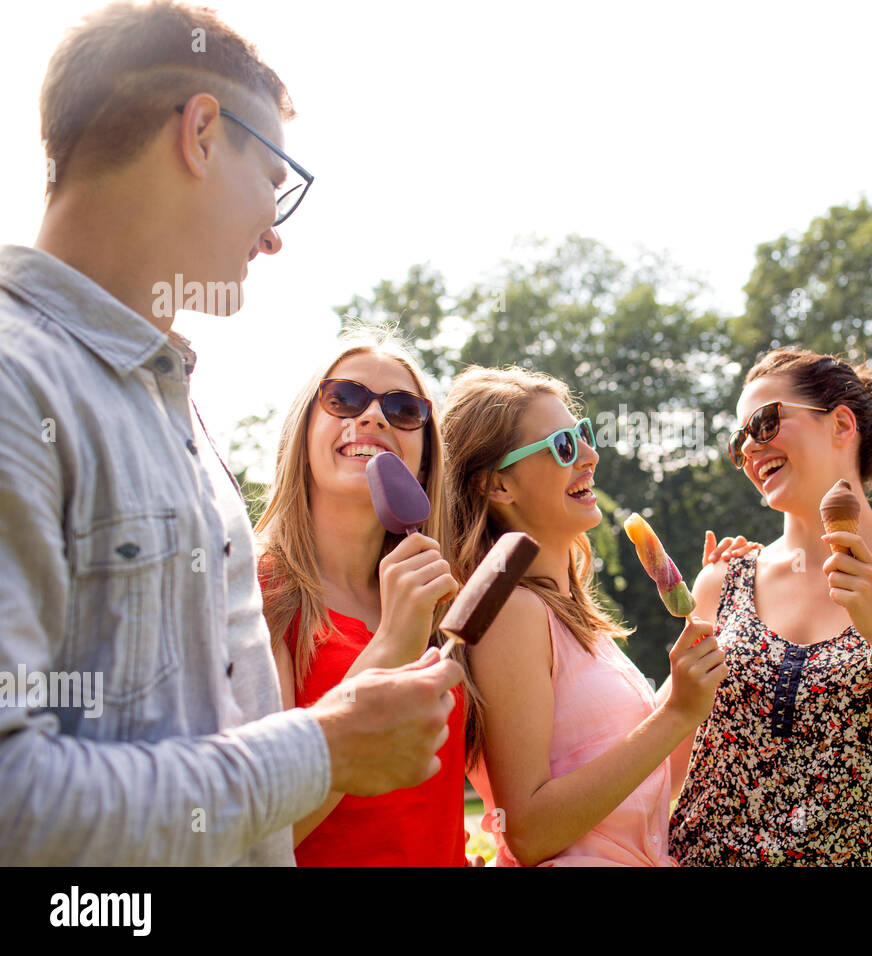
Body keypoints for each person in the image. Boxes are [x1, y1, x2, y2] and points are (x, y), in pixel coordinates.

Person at [0, 1, 460, 865]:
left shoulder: (174, 406)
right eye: (275, 179)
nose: (275, 234)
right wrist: (321, 748)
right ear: (203, 133)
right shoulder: (16, 382)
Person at [669, 348, 872, 866]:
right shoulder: (719, 583)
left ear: (840, 425)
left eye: (764, 423)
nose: (749, 448)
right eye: (738, 440)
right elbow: (666, 766)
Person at [440, 366, 735, 866]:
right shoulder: (512, 613)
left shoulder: (572, 619)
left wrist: (713, 607)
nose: (590, 455)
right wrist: (675, 714)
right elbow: (529, 833)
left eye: (582, 434)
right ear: (496, 486)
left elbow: (641, 789)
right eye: (561, 445)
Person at [256, 327, 480, 866]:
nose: (374, 416)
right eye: (345, 398)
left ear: (425, 459)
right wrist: (389, 648)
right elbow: (263, 838)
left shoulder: (439, 601)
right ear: (303, 429)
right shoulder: (260, 591)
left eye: (404, 410)